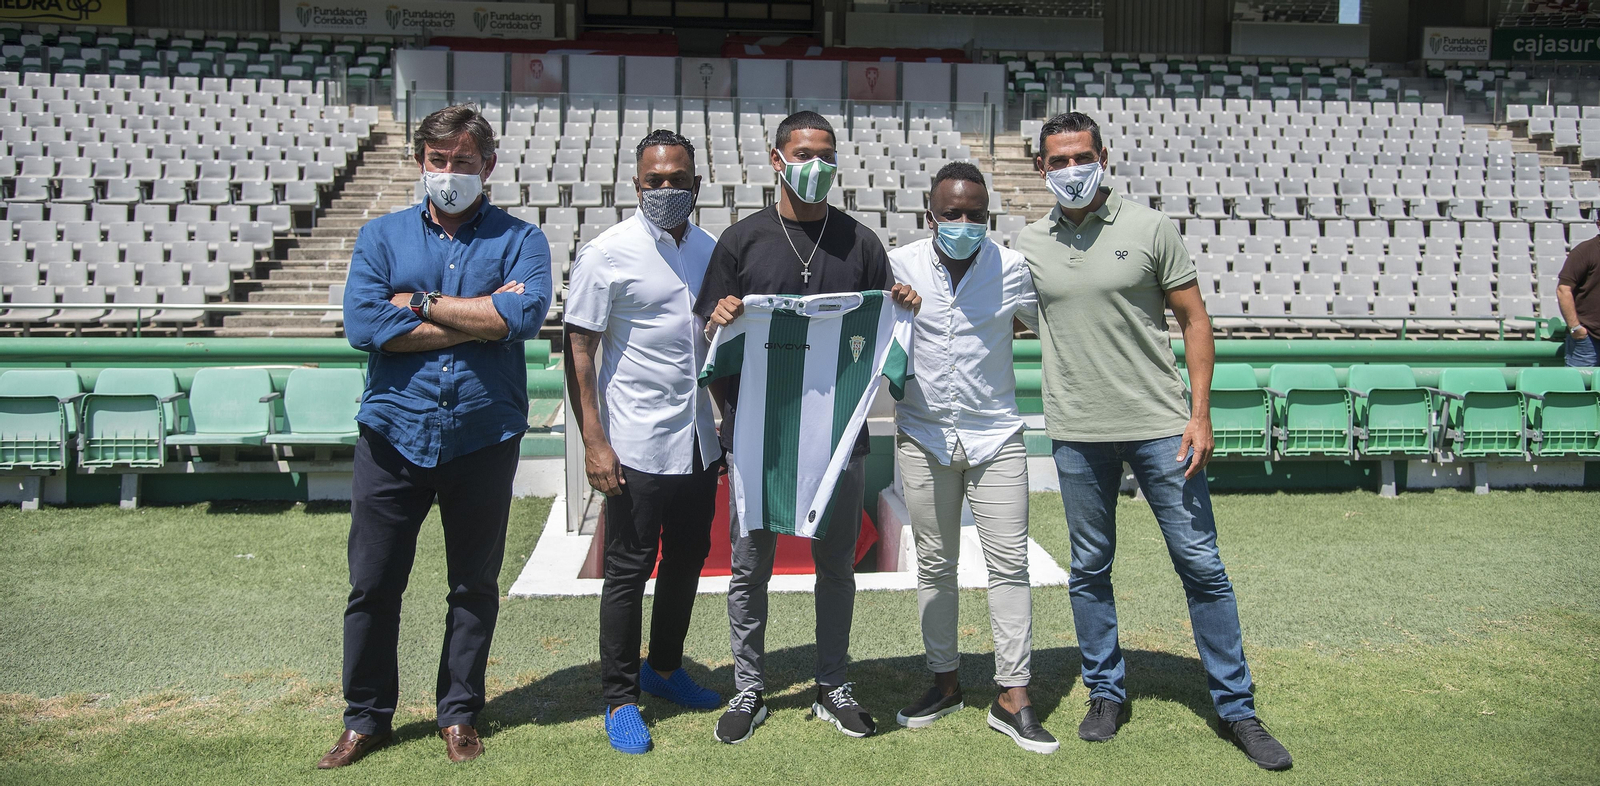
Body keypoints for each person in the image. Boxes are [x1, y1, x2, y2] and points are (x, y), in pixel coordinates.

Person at [1013, 112, 1291, 771]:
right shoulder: (1027, 242)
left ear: (1102, 157)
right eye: (1058, 160)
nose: (1071, 168)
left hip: (1164, 428)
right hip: (1078, 433)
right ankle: (1106, 692)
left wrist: (1200, 415)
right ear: (1041, 168)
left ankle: (1236, 707)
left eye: (1082, 156)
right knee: (1089, 568)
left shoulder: (1150, 227)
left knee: (1201, 565)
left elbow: (1195, 320)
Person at [318, 104, 552, 769]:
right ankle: (366, 717)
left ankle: (459, 711)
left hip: (483, 432)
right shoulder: (381, 236)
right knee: (373, 583)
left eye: (464, 162)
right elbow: (366, 326)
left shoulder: (520, 239)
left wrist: (416, 304)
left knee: (473, 585)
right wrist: (480, 319)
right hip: (393, 433)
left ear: (489, 166)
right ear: (422, 161)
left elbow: (524, 313)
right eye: (439, 160)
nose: (450, 174)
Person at [696, 110, 920, 744]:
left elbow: (886, 333)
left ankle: (832, 682)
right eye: (803, 152)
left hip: (838, 437)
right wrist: (722, 319)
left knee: (837, 565)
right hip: (758, 436)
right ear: (776, 158)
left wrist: (901, 308)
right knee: (749, 565)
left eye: (826, 153)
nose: (816, 165)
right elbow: (712, 339)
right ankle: (749, 684)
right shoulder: (740, 242)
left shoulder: (862, 244)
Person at [564, 130, 725, 755]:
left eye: (677, 178)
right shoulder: (606, 254)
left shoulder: (714, 250)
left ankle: (664, 667)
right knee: (628, 571)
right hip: (634, 440)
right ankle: (619, 697)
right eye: (653, 180)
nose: (666, 189)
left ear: (696, 183)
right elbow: (578, 348)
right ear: (636, 186)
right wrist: (594, 442)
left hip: (698, 441)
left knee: (687, 561)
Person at [887, 162, 1057, 754]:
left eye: (975, 214)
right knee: (935, 565)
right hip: (923, 435)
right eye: (952, 213)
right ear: (929, 212)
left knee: (1009, 564)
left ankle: (1014, 695)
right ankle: (945, 682)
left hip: (997, 437)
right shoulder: (899, 266)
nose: (964, 223)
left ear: (989, 215)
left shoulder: (1012, 269)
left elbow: (1056, 326)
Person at [1557, 227, 1599, 367]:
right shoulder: (1584, 251)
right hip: (1589, 341)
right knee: (1580, 387)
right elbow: (1563, 290)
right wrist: (1576, 329)